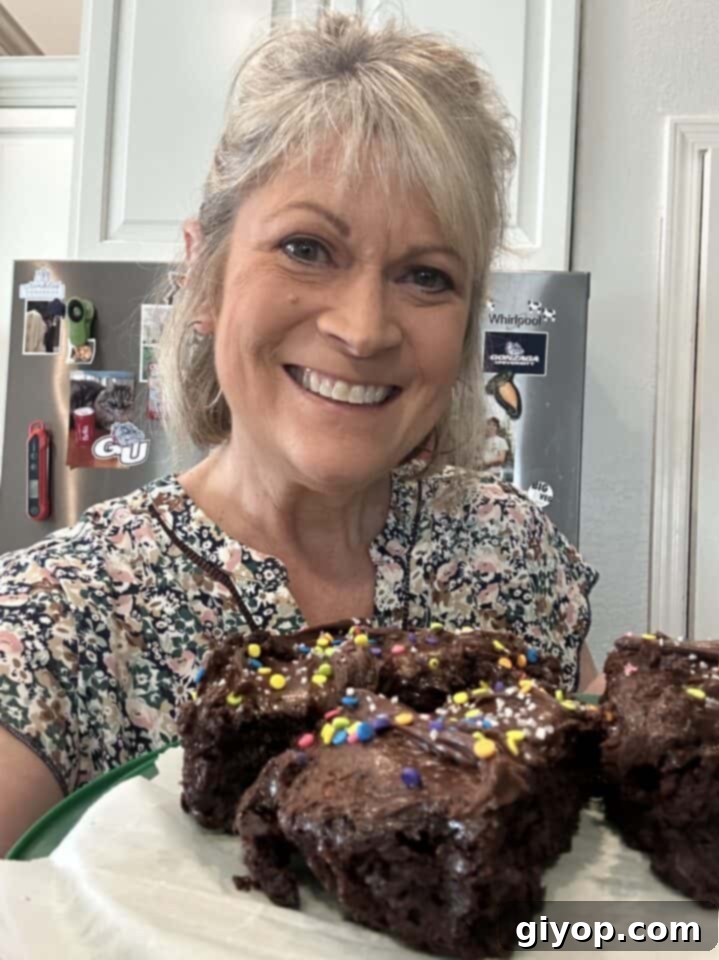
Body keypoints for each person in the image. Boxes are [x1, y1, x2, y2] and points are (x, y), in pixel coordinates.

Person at [0, 12, 600, 856]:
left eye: (426, 275)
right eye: (307, 248)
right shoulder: (60, 617)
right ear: (204, 274)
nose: (363, 330)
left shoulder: (512, 558)